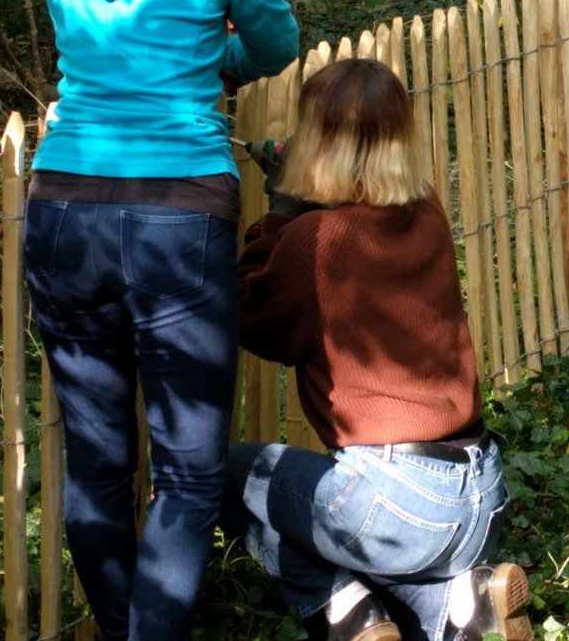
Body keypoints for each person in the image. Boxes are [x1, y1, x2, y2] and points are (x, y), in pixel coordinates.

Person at [22, 0, 299, 641]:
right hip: (179, 211)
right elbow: (275, 45)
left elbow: (91, 52)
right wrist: (217, 61)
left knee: (98, 462)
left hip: (65, 204)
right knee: (189, 472)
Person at [222, 57, 532, 641]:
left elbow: (250, 316)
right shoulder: (427, 208)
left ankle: (346, 614)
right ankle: (463, 606)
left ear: (316, 143)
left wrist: (279, 213)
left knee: (220, 473)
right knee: (348, 532)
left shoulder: (317, 239)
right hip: (481, 495)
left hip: (393, 502)